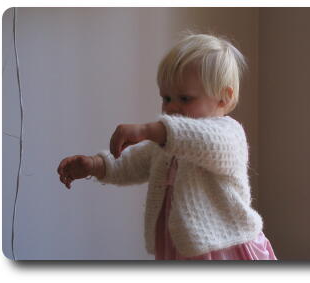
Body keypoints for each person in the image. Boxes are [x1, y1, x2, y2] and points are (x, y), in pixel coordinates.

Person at [57, 32, 277, 260]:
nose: (172, 108)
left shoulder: (228, 134)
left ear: (224, 97)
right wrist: (95, 165)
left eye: (184, 99)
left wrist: (148, 130)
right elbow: (130, 164)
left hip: (226, 245)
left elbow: (200, 140)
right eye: (166, 98)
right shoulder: (165, 144)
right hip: (179, 246)